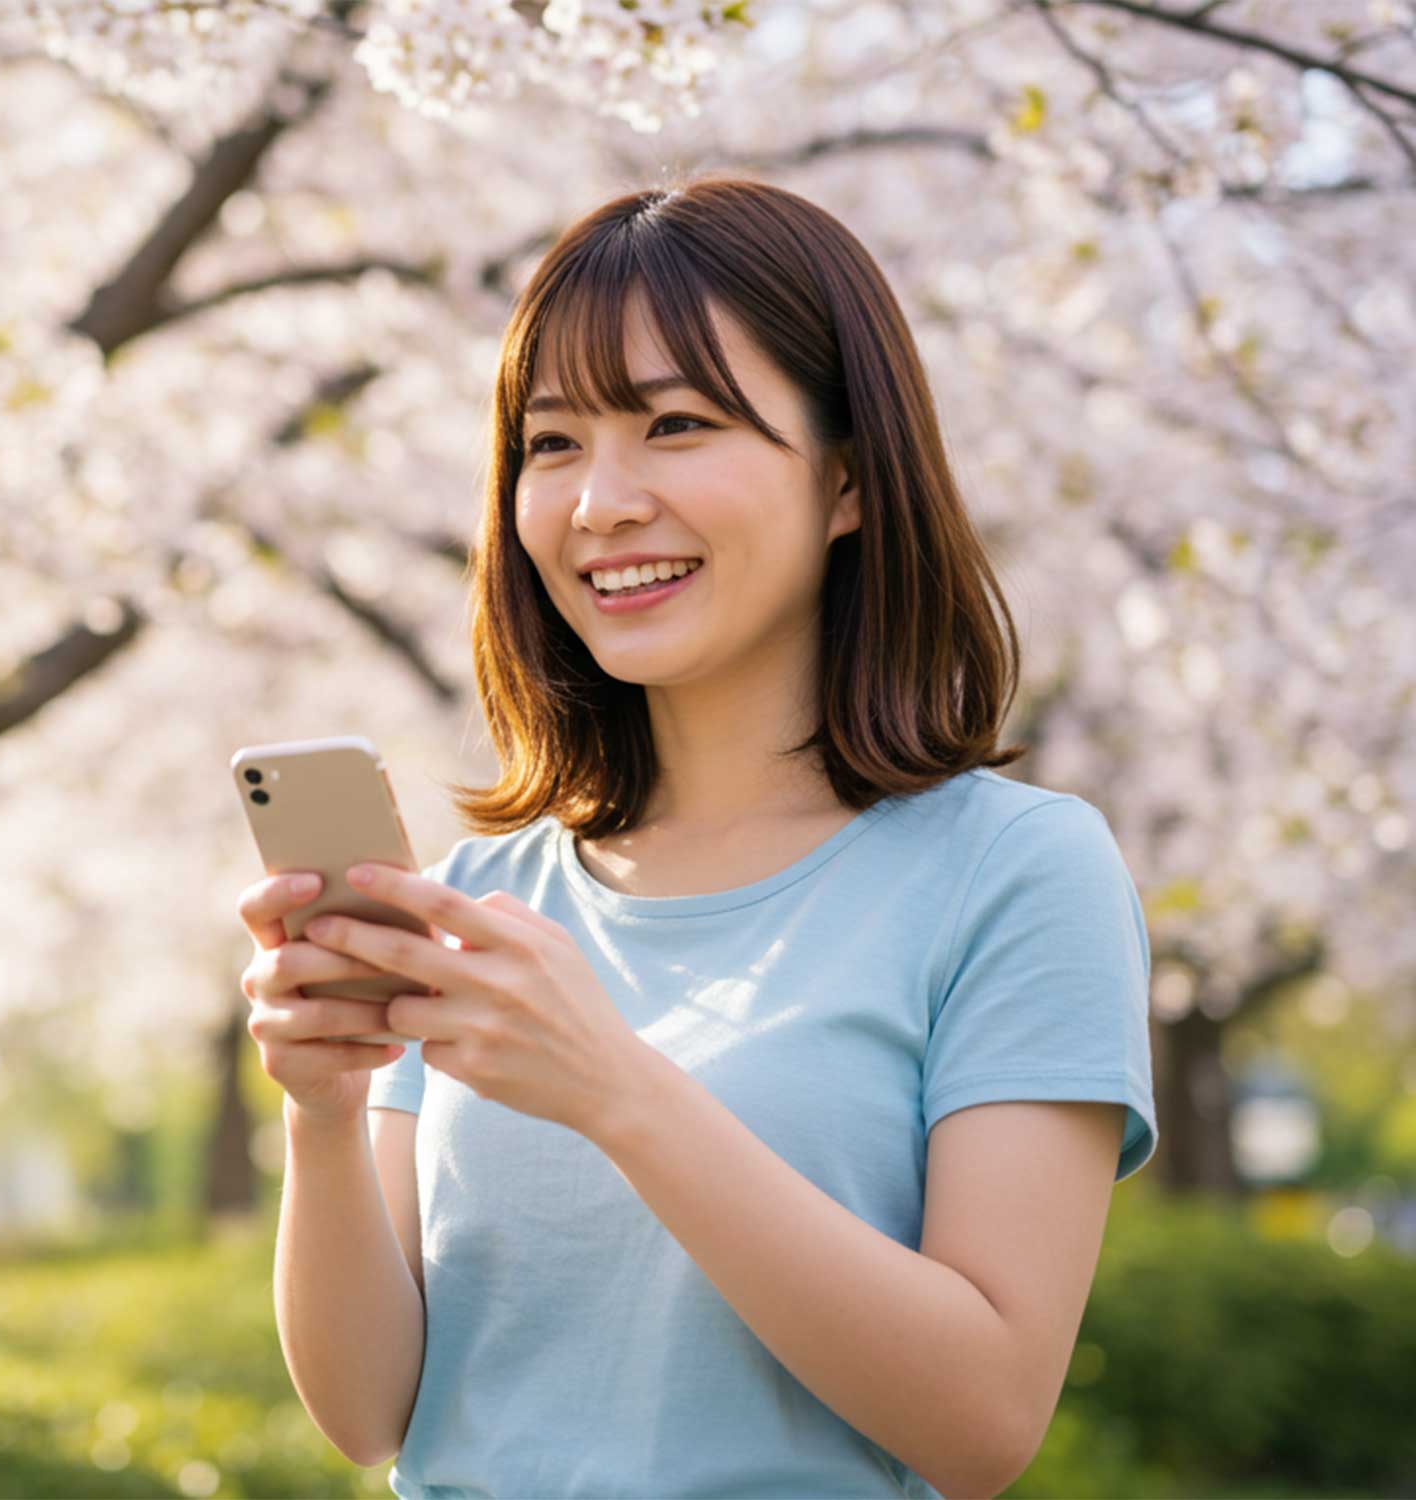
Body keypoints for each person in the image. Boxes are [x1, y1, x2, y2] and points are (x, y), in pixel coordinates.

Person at [235, 174, 1158, 1500]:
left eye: (674, 423)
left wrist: (619, 1090)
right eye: (551, 443)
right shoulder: (484, 891)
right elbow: (372, 1410)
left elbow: (984, 1421)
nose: (601, 501)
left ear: (847, 478)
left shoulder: (1016, 872)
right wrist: (321, 1116)